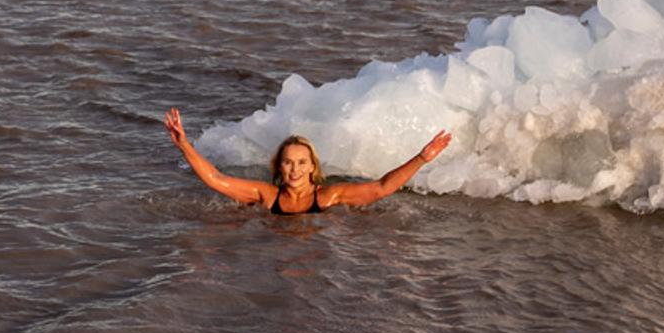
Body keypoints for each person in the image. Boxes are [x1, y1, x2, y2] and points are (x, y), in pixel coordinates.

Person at [163, 109, 451, 215]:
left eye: (302, 163)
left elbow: (380, 188)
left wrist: (422, 158)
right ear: (279, 167)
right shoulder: (266, 195)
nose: (295, 170)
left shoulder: (328, 196)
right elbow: (215, 179)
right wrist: (184, 144)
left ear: (313, 167)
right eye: (288, 163)